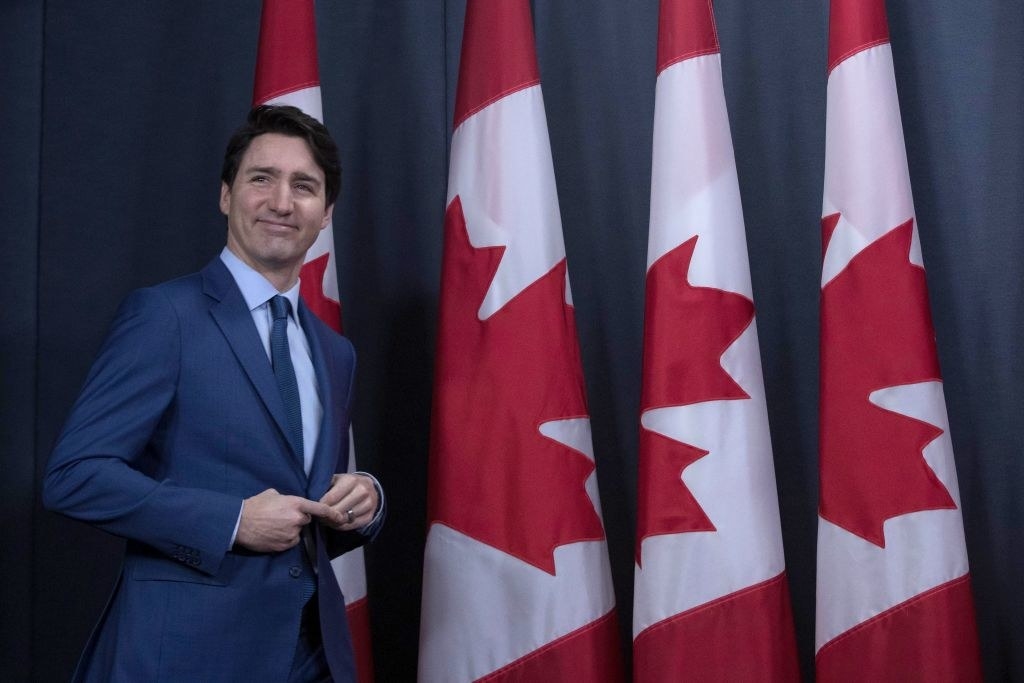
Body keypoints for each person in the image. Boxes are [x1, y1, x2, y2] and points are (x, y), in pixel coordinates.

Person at [43, 104, 383, 682]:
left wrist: (364, 503)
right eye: (261, 179)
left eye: (304, 186)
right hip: (186, 655)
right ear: (226, 196)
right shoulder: (165, 316)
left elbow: (305, 498)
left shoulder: (335, 352)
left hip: (313, 653)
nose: (281, 202)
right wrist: (231, 520)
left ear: (325, 213)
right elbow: (75, 475)